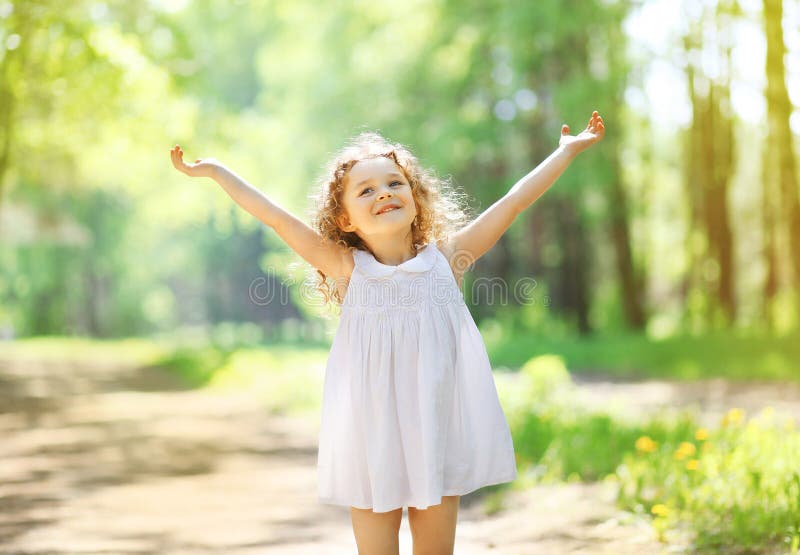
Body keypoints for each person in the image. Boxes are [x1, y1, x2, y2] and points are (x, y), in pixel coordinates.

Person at [170, 110, 605, 554]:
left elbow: (513, 202)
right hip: (370, 440)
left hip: (435, 434)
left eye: (395, 183)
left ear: (415, 198)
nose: (385, 193)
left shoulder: (448, 260)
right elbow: (278, 219)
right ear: (345, 220)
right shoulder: (347, 270)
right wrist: (217, 172)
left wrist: (564, 153)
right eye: (367, 190)